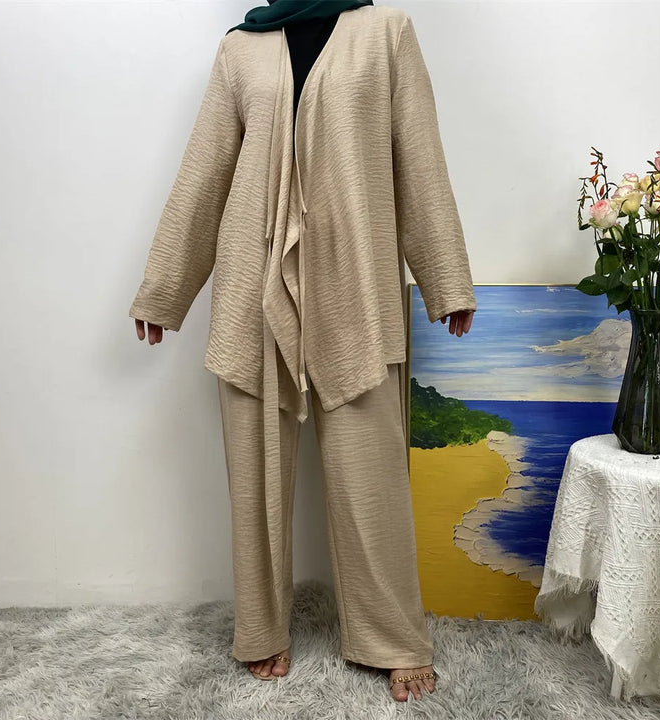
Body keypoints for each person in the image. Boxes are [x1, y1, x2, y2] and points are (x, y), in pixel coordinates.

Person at [130, 0, 476, 703]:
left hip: (358, 279)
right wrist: (163, 293)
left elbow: (419, 159)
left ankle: (393, 636)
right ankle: (263, 629)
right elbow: (204, 175)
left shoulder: (386, 34)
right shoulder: (241, 48)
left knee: (371, 474)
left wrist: (446, 282)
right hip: (253, 284)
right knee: (255, 472)